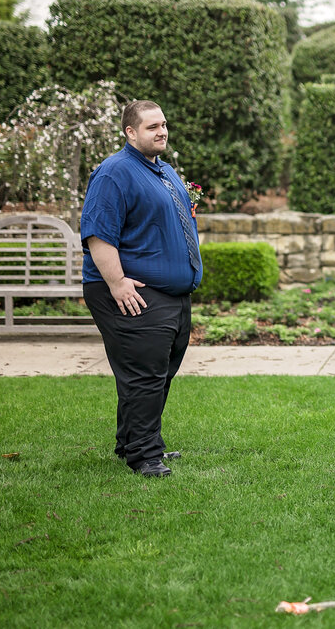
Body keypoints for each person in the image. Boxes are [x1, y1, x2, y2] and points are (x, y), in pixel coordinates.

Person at [80, 100, 202, 478]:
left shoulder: (162, 170)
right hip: (130, 290)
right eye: (152, 126)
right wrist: (116, 283)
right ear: (130, 132)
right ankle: (145, 457)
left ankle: (133, 442)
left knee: (157, 372)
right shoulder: (115, 173)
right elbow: (99, 233)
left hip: (170, 294)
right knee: (144, 374)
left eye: (164, 124)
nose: (161, 131)